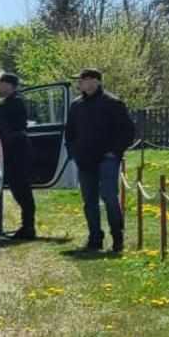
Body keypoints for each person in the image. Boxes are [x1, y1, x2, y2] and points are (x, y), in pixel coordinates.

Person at [63, 68, 137, 253]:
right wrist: (73, 151)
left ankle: (117, 237)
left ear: (96, 81)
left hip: (107, 159)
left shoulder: (112, 103)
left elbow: (128, 131)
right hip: (85, 159)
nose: (80, 83)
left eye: (83, 79)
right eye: (79, 80)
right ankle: (95, 238)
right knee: (89, 200)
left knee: (109, 197)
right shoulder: (77, 105)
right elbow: (70, 131)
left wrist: (114, 151)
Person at [0, 73, 36, 240]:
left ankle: (29, 228)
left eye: (0, 84)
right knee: (18, 189)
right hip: (13, 148)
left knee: (22, 189)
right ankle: (27, 226)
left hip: (18, 149)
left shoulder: (15, 102)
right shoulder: (11, 101)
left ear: (9, 85)